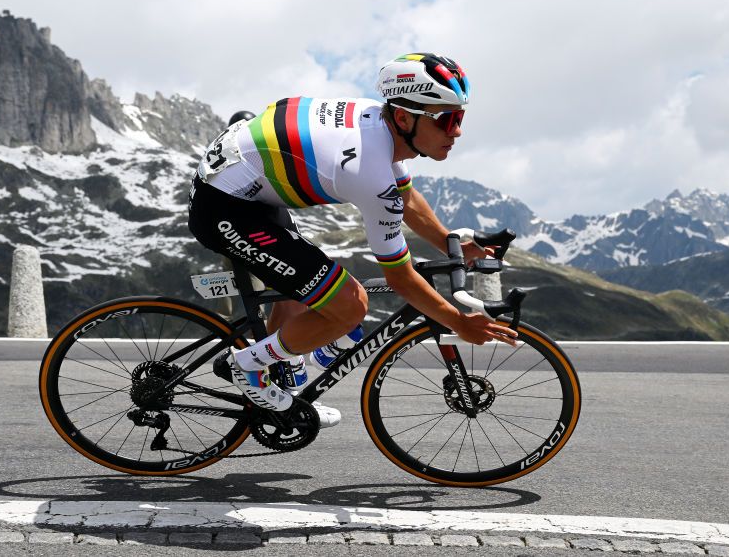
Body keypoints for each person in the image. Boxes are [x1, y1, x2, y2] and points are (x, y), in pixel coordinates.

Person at [188, 53, 518, 424]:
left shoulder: (383, 127)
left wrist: (449, 243)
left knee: (305, 295)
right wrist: (458, 321)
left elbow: (407, 198)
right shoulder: (368, 170)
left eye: (460, 117)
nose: (456, 131)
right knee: (349, 305)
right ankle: (245, 366)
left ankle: (282, 382)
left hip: (246, 184)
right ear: (405, 117)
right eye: (446, 119)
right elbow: (400, 276)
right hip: (225, 208)